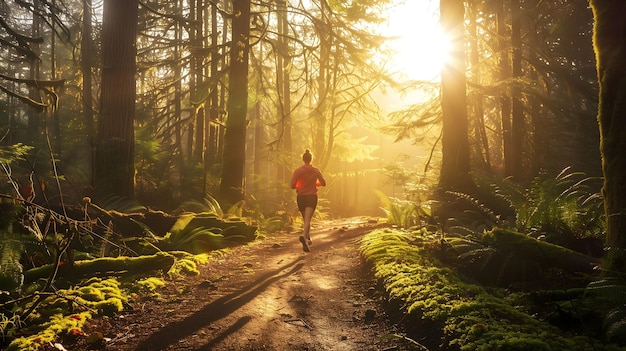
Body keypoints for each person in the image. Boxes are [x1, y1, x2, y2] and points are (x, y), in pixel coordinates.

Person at [290, 149, 326, 252]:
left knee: (305, 220)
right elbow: (323, 183)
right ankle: (304, 238)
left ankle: (307, 239)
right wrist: (315, 183)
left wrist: (301, 185)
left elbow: (292, 185)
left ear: (303, 159)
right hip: (311, 197)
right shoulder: (316, 170)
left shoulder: (298, 171)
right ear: (311, 159)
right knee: (307, 220)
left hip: (301, 197)